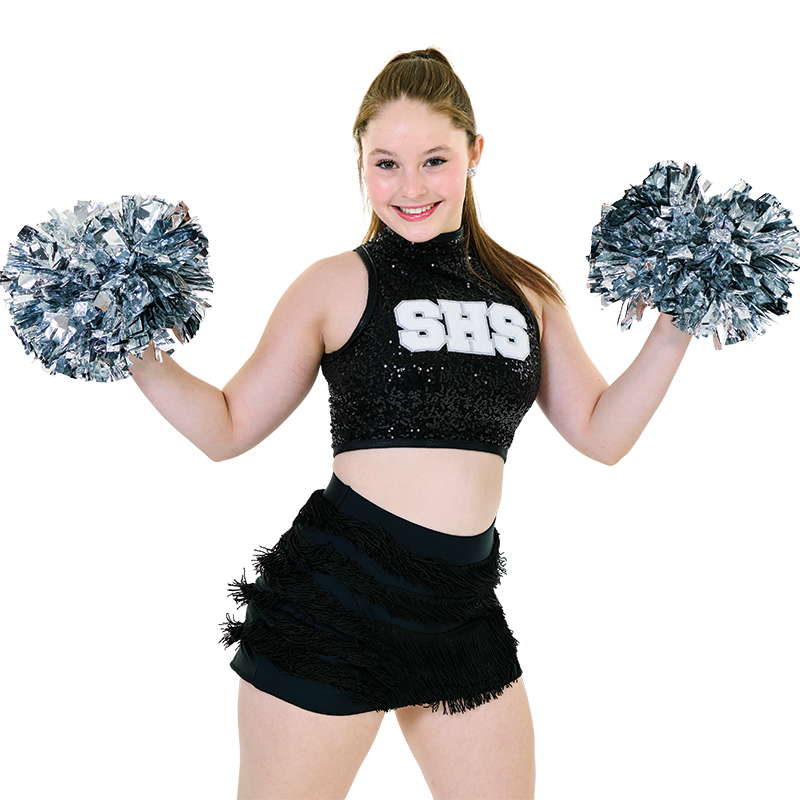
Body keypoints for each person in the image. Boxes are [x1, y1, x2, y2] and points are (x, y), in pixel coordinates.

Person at [129, 48, 692, 800]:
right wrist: (134, 349)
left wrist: (679, 320)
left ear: (475, 152)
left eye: (434, 160)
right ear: (360, 163)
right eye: (386, 164)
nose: (412, 187)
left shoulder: (527, 295)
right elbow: (227, 428)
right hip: (336, 602)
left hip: (460, 610)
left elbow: (601, 433)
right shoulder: (335, 283)